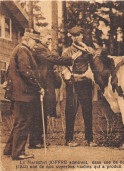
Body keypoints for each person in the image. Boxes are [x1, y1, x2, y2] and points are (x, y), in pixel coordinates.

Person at [28, 30, 80, 149]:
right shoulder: (40, 48)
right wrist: (70, 59)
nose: (50, 41)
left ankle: (39, 140)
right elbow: (53, 59)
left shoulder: (44, 49)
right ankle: (35, 141)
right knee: (39, 113)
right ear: (41, 38)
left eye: (51, 39)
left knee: (43, 112)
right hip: (42, 85)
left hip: (46, 84)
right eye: (48, 38)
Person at [3, 29, 44, 160]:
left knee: (19, 122)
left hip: (19, 93)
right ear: (27, 39)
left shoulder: (19, 49)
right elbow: (26, 72)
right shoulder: (23, 50)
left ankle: (9, 149)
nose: (36, 44)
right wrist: (39, 87)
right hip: (24, 94)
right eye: (35, 41)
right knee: (23, 122)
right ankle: (18, 152)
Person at [62, 26, 97, 147]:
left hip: (86, 83)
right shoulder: (67, 51)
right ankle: (69, 139)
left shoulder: (88, 49)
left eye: (78, 35)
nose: (76, 37)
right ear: (71, 37)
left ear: (82, 35)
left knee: (88, 111)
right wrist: (70, 79)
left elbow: (94, 64)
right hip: (73, 84)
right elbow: (64, 69)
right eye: (74, 35)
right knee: (71, 111)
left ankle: (90, 139)